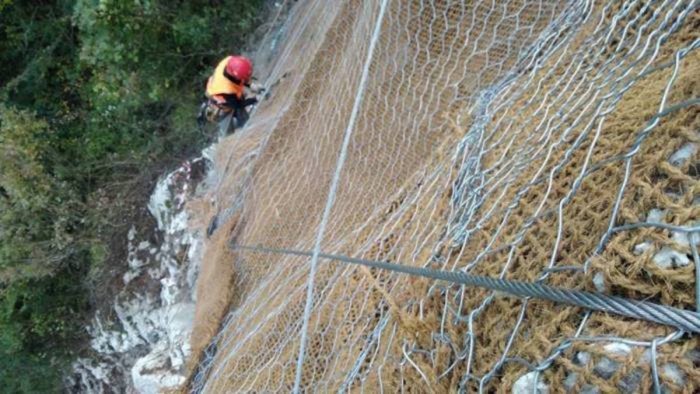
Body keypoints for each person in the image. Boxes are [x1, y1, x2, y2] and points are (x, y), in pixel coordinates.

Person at [197, 55, 263, 131]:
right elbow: (238, 104)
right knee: (233, 128)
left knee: (240, 100)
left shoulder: (229, 62)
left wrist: (251, 85)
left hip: (221, 93)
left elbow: (239, 78)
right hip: (221, 105)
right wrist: (255, 99)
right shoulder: (225, 89)